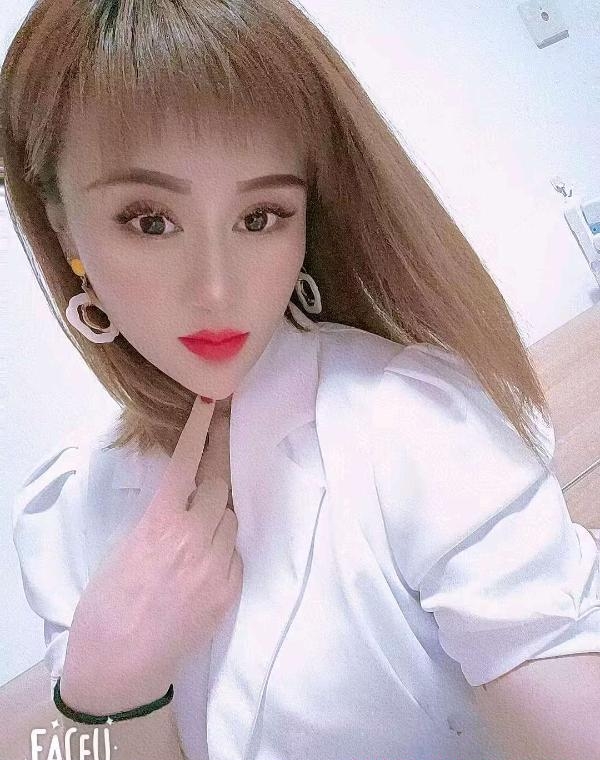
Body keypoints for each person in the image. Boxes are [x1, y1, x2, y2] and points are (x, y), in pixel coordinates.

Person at [3, 1, 600, 759]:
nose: (217, 289)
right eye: (150, 220)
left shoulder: (415, 427)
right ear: (63, 228)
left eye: (260, 217)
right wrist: (102, 683)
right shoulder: (63, 512)